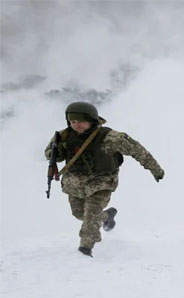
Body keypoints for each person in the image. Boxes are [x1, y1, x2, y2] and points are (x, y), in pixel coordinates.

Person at [44, 101, 165, 257]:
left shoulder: (110, 137)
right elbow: (50, 154)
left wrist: (156, 170)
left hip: (101, 182)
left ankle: (85, 250)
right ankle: (107, 217)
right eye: (73, 122)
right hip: (75, 182)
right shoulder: (64, 136)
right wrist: (58, 150)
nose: (77, 125)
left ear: (92, 120)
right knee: (79, 214)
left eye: (81, 121)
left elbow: (138, 151)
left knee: (90, 218)